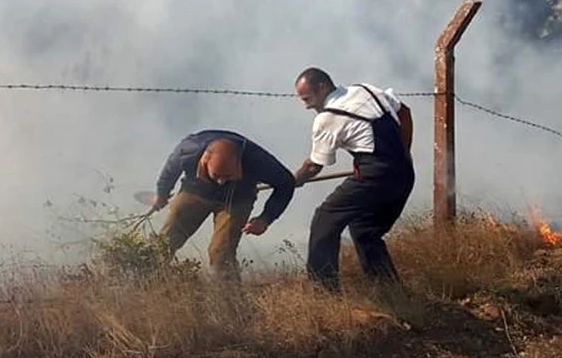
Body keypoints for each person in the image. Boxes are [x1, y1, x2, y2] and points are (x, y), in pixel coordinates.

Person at [291, 67, 415, 293]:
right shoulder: (365, 89)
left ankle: (323, 293)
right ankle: (390, 291)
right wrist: (402, 152)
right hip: (404, 173)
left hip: (375, 178)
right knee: (364, 229)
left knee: (325, 218)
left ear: (322, 88)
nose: (307, 106)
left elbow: (313, 166)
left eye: (307, 99)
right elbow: (404, 112)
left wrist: (291, 181)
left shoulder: (327, 118)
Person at [149, 130, 296, 283]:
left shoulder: (257, 160)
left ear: (238, 163)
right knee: (165, 242)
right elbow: (170, 171)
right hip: (195, 192)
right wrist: (161, 193)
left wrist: (265, 219)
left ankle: (229, 299)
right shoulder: (188, 150)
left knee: (222, 252)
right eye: (217, 175)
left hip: (237, 200)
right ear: (204, 161)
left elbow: (286, 183)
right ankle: (148, 282)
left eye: (228, 176)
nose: (221, 182)